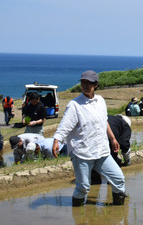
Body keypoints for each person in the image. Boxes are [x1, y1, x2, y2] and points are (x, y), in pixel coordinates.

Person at [52, 70, 127, 206]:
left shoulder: (101, 101)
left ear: (96, 85)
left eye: (89, 83)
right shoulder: (75, 105)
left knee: (118, 178)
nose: (86, 86)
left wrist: (113, 138)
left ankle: (117, 213)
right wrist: (57, 140)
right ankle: (79, 214)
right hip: (83, 153)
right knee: (83, 187)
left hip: (102, 151)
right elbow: (65, 126)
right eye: (83, 83)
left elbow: (104, 121)